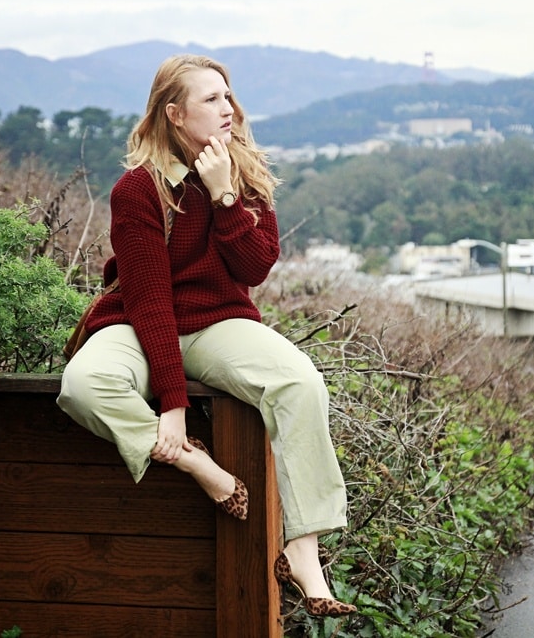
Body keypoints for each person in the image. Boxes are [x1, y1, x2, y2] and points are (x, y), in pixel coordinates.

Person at [57, 54, 356, 617]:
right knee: (84, 384)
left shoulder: (246, 173)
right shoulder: (139, 189)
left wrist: (224, 196)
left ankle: (304, 550)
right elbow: (149, 302)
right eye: (212, 99)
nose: (229, 108)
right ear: (174, 113)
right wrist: (173, 409)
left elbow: (252, 268)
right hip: (138, 324)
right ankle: (198, 464)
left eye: (229, 95)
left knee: (299, 382)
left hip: (219, 322)